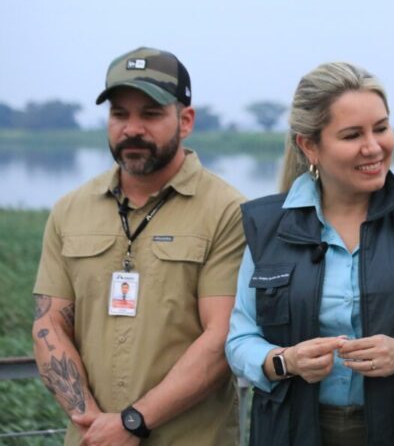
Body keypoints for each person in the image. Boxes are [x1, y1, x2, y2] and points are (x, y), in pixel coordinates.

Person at [226, 62, 394, 446]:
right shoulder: (267, 226)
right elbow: (240, 341)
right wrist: (285, 361)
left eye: (381, 128)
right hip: (291, 432)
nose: (373, 147)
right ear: (309, 146)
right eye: (352, 135)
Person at [32, 47, 246, 445]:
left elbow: (222, 337)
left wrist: (133, 422)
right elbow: (50, 325)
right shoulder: (69, 210)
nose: (132, 129)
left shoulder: (227, 211)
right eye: (119, 114)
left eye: (150, 114)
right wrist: (91, 421)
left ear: (186, 120)